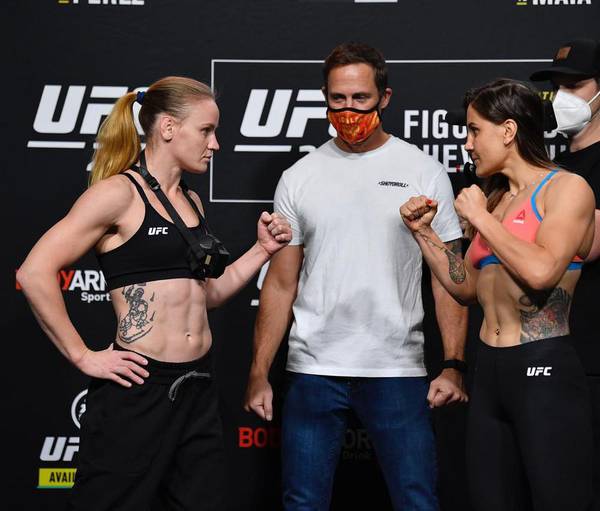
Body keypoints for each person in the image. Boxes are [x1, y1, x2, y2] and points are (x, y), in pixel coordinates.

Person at [17, 76, 292, 510]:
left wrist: (262, 250)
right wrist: (82, 355)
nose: (215, 144)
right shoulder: (118, 194)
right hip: (139, 389)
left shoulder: (192, 202)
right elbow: (34, 272)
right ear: (167, 128)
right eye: (206, 130)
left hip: (198, 387)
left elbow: (209, 295)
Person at [244, 42, 468, 511]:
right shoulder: (299, 177)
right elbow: (280, 283)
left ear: (385, 98)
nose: (348, 110)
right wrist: (259, 372)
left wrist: (453, 363)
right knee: (302, 503)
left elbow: (448, 278)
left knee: (417, 501)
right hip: (313, 370)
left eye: (360, 98)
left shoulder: (423, 171)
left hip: (396, 369)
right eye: (338, 99)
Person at [400, 78, 595, 511]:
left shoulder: (566, 189)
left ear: (508, 131)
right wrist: (425, 234)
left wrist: (480, 220)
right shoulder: (496, 200)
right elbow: (466, 289)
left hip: (542, 366)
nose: (467, 144)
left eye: (474, 131)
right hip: (489, 371)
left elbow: (542, 272)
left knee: (560, 500)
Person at [530, 38, 600, 510]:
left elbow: (586, 246)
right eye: (557, 87)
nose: (563, 98)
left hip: (594, 350)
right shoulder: (552, 166)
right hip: (551, 347)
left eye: (576, 85)